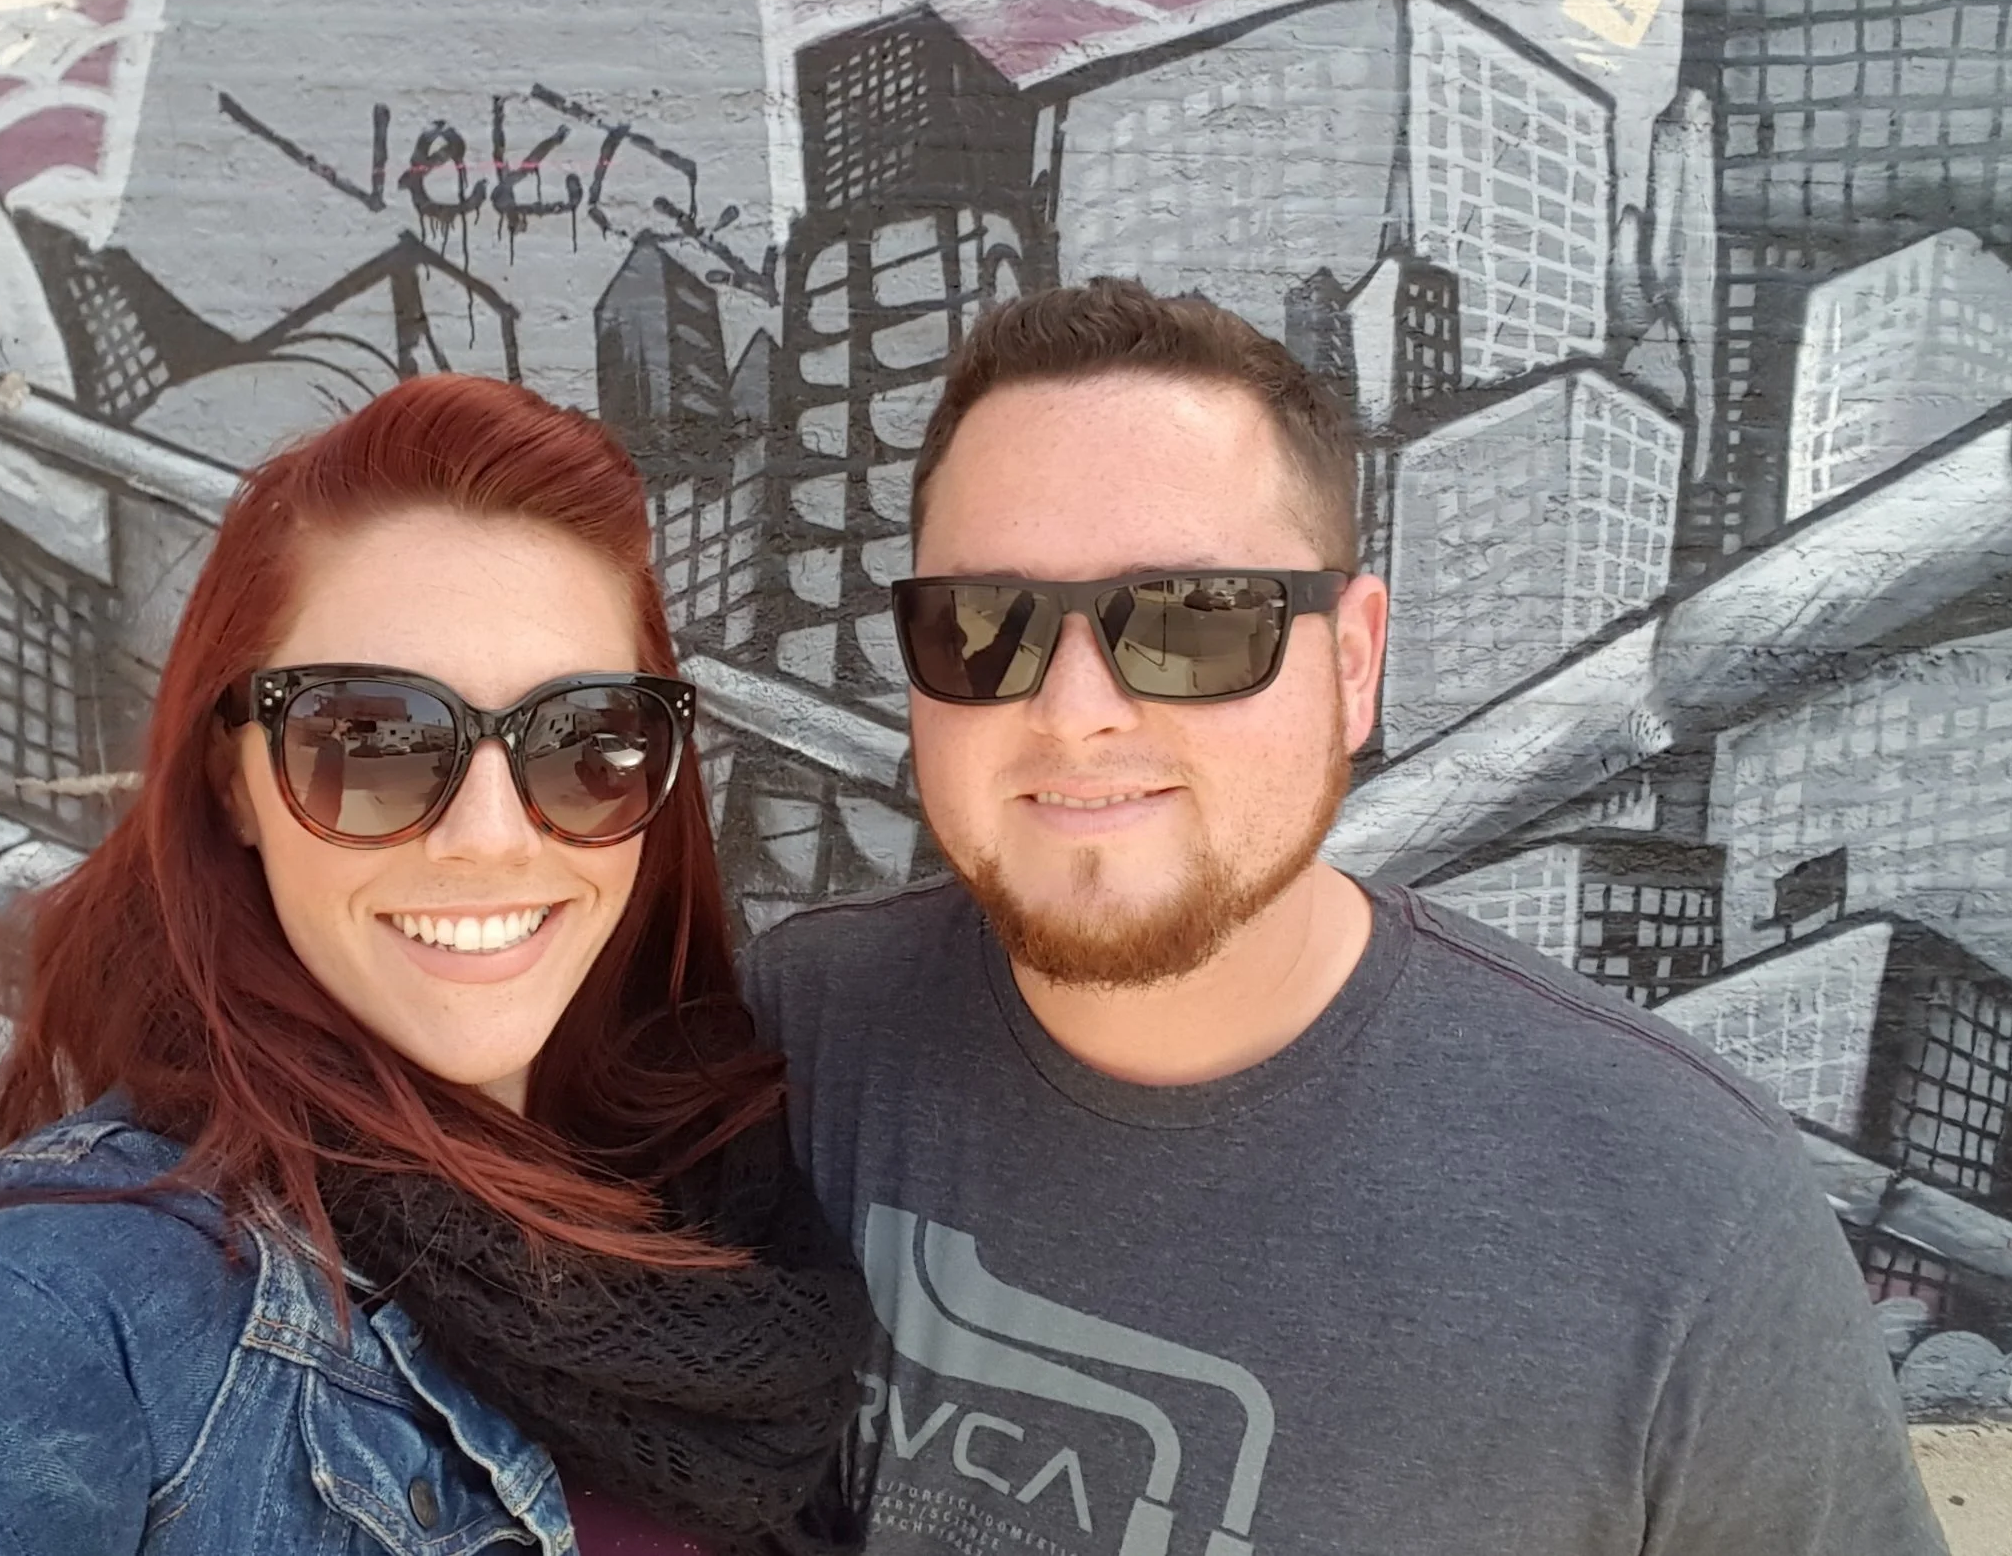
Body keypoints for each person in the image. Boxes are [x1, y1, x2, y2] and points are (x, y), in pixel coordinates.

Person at [0, 375, 873, 1555]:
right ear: (236, 781)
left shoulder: (726, 1191)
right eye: (371, 739)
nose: (489, 835)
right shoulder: (107, 1290)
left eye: (585, 737)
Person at [742, 279, 1946, 1556]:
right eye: (984, 623)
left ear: (1353, 662)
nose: (1076, 710)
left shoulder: (1689, 1215)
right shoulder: (789, 1037)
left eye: (1195, 618)